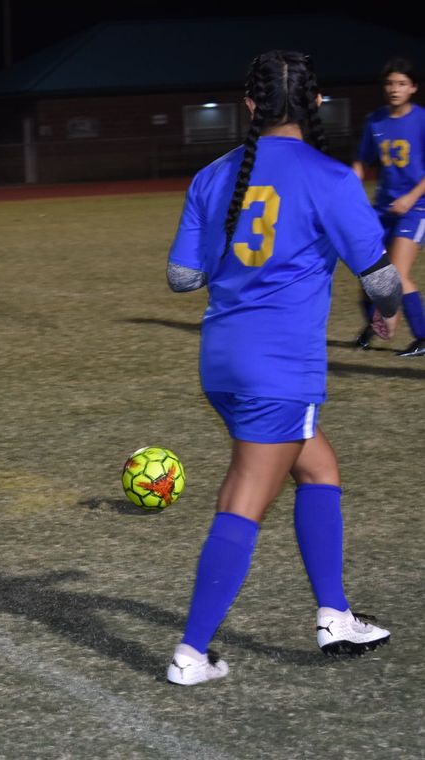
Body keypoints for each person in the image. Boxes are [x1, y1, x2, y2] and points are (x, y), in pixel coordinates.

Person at [164, 50, 398, 685]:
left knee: (318, 466)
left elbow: (182, 278)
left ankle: (335, 613)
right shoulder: (329, 177)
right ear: (317, 104)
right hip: (279, 370)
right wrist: (387, 313)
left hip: (222, 363)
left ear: (248, 106)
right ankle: (191, 653)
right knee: (246, 493)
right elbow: (380, 277)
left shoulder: (214, 175)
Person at [352, 58, 425, 356]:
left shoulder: (421, 120)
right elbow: (361, 160)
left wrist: (410, 197)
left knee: (395, 273)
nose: (395, 89)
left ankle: (422, 337)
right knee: (369, 273)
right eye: (390, 83)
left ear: (413, 88)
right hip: (382, 209)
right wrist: (351, 183)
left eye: (401, 84)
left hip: (417, 207)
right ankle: (374, 325)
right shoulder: (375, 121)